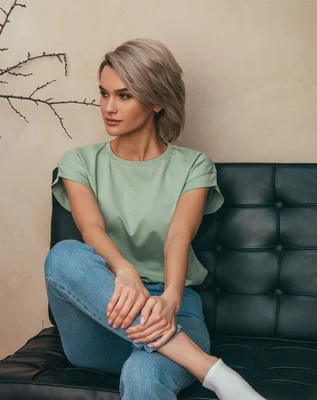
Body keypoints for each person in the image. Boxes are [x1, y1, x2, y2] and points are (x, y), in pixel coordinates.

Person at [44, 38, 266, 400]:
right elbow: (91, 228)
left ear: (157, 101)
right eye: (104, 93)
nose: (108, 107)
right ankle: (211, 370)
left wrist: (172, 298)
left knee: (146, 375)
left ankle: (182, 350)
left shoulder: (193, 165)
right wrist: (123, 270)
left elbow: (178, 235)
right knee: (63, 255)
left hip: (170, 310)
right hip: (102, 315)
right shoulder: (79, 161)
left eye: (124, 95)